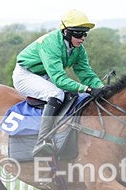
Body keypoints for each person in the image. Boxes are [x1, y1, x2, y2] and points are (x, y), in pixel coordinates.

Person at [12, 9, 105, 157]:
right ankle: (42, 141)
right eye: (79, 34)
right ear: (66, 32)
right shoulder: (51, 44)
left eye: (85, 34)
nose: (82, 38)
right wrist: (87, 89)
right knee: (56, 93)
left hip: (44, 75)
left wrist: (102, 89)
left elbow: (86, 74)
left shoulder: (79, 49)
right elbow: (59, 79)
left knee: (72, 95)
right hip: (25, 74)